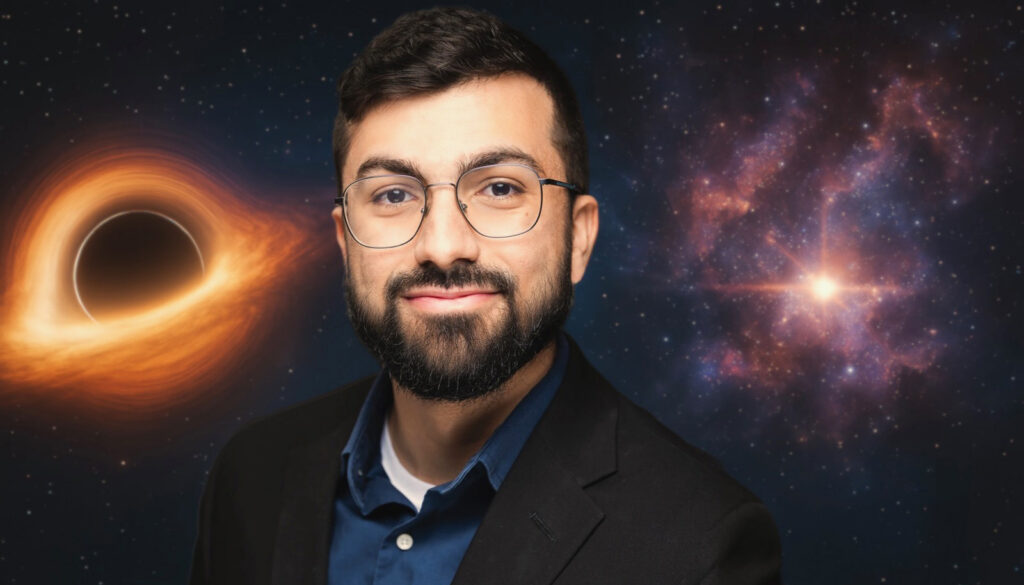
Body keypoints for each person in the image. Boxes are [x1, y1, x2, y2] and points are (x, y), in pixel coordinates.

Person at [189, 7, 782, 585]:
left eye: (500, 187)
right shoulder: (251, 476)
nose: (443, 247)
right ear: (346, 243)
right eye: (394, 195)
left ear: (577, 238)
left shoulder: (701, 547)